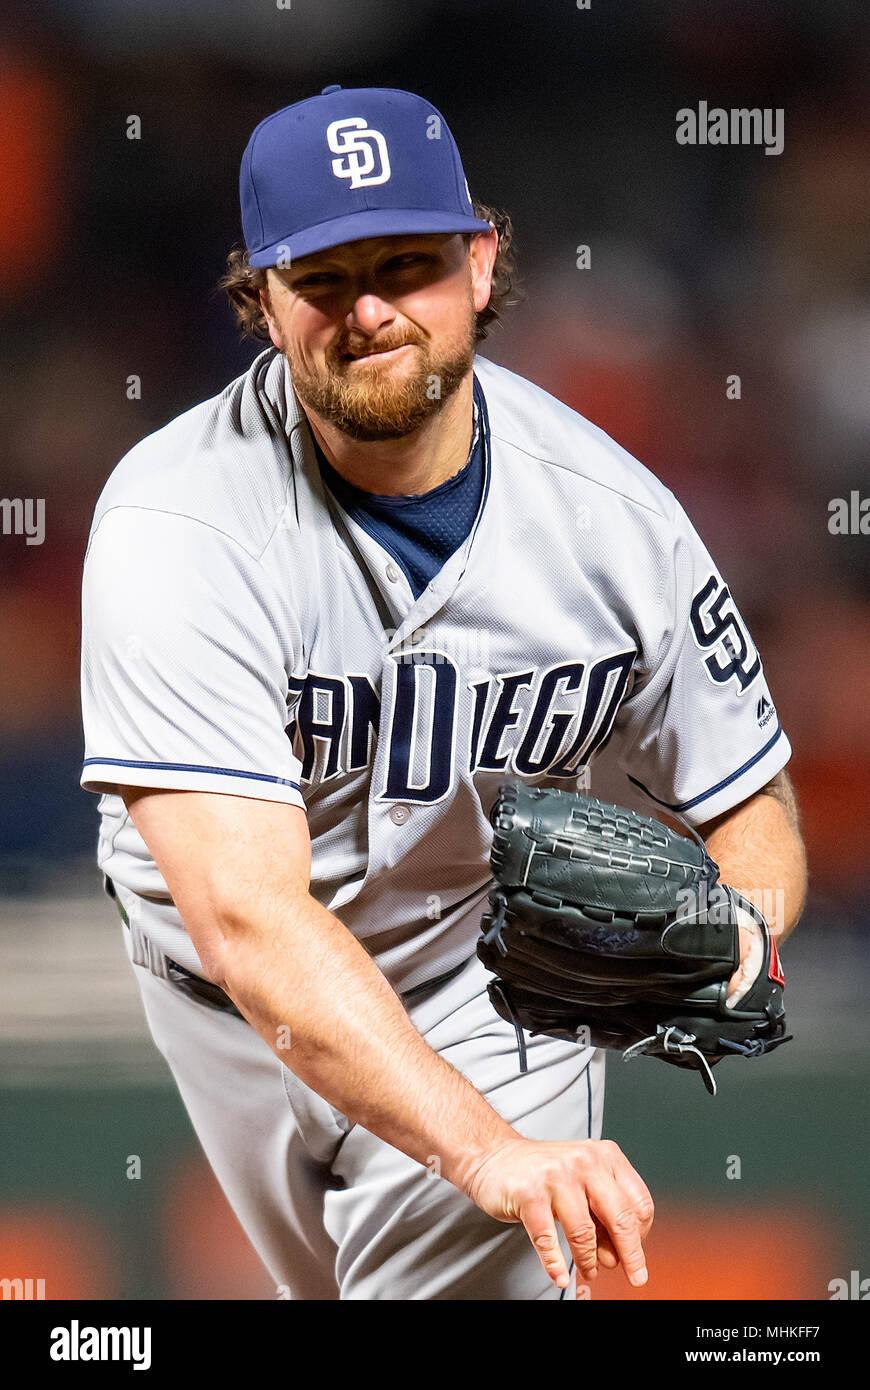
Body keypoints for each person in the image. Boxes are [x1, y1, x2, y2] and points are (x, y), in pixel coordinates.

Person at [80, 85, 807, 1300]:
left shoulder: (616, 523)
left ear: (481, 263)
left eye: (407, 263)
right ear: (259, 303)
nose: (369, 310)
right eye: (322, 278)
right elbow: (250, 918)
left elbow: (752, 803)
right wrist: (481, 1150)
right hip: (229, 1005)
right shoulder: (178, 521)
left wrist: (738, 935)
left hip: (484, 986)